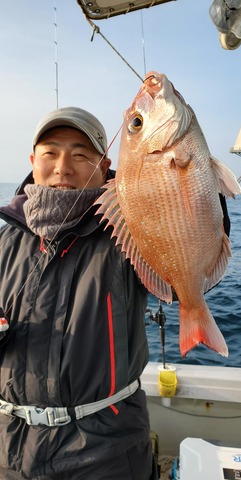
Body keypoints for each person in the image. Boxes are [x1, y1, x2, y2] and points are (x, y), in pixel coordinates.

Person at [0, 107, 158, 480]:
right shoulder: (6, 241)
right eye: (50, 153)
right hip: (9, 449)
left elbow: (186, 262)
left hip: (107, 453)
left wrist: (188, 178)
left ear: (105, 167)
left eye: (81, 154)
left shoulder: (130, 234)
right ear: (32, 161)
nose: (63, 167)